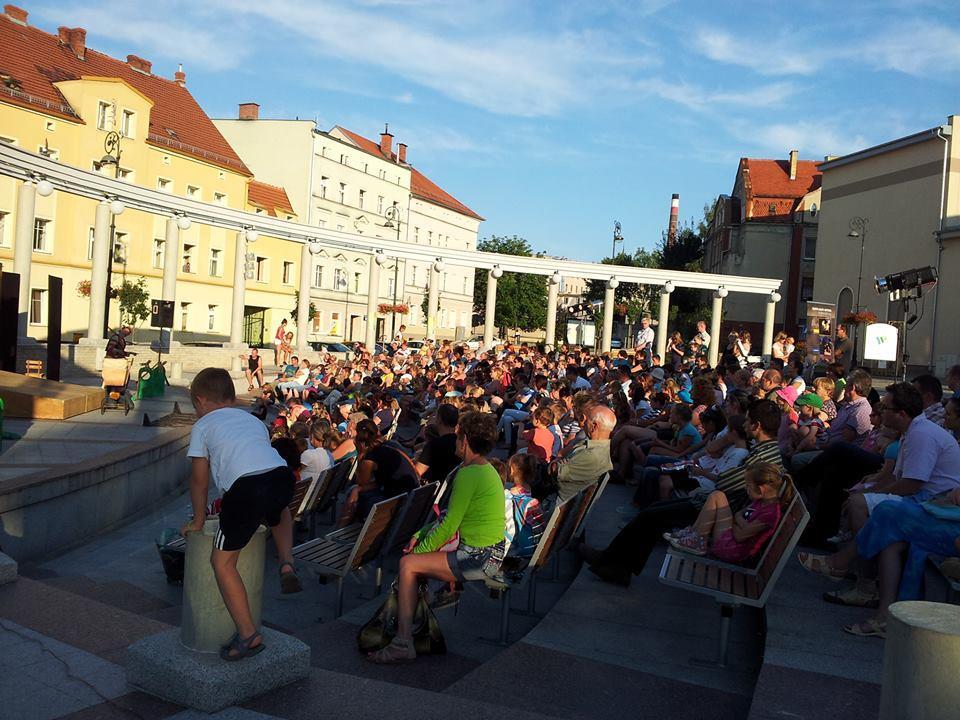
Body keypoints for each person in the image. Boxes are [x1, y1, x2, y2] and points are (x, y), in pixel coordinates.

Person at [580, 399, 783, 587]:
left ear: (756, 425)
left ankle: (615, 565)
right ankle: (614, 563)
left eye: (748, 422)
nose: (745, 426)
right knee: (652, 511)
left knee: (651, 515)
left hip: (720, 511)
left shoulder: (763, 457)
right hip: (719, 505)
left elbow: (727, 481)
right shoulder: (764, 450)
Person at [181, 367, 301, 662]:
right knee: (279, 509)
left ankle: (249, 635)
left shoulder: (204, 426)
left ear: (200, 400)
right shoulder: (252, 420)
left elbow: (199, 479)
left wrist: (198, 520)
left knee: (221, 563)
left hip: (245, 490)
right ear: (232, 397)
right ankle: (286, 563)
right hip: (282, 476)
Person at [367, 411, 505, 664]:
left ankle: (402, 642)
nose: (454, 441)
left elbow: (450, 523)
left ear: (465, 440)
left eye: (458, 437)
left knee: (408, 566)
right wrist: (420, 536)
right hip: (488, 550)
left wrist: (418, 552)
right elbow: (448, 519)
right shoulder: (483, 469)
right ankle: (414, 625)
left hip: (479, 556)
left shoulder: (468, 473)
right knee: (414, 564)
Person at [666, 463, 787, 561]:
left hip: (732, 549)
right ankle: (695, 533)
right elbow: (739, 516)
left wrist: (736, 520)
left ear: (761, 490)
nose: (746, 488)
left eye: (748, 486)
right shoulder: (761, 501)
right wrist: (739, 521)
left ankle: (697, 540)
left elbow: (740, 536)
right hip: (730, 540)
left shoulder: (770, 513)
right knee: (717, 495)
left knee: (718, 496)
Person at [337, 419, 419, 526]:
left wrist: (360, 455)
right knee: (356, 490)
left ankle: (340, 528)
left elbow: (361, 482)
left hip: (397, 504)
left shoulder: (370, 458)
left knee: (356, 494)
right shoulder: (390, 444)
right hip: (412, 497)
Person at [552, 405, 616, 501]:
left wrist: (557, 460)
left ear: (594, 426)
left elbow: (555, 471)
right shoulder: (599, 446)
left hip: (557, 499)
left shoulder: (591, 455)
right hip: (563, 494)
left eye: (587, 420)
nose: (583, 423)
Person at [413, 403, 460, 483]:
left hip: (432, 487)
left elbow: (417, 473)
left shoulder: (433, 445)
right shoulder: (461, 443)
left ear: (439, 420)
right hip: (450, 487)